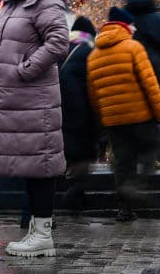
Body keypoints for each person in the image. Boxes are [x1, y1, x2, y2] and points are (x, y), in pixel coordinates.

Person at [0, 0, 68, 258]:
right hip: (19, 99)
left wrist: (25, 70)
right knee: (34, 167)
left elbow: (58, 42)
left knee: (41, 167)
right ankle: (37, 229)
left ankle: (43, 234)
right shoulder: (15, 1)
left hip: (35, 100)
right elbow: (0, 49)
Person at [87, 7, 160, 222]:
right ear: (125, 26)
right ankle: (136, 186)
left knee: (122, 162)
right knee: (151, 147)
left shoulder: (93, 55)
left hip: (113, 120)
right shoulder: (133, 48)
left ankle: (125, 209)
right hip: (139, 115)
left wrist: (101, 122)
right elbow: (150, 84)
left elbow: (93, 94)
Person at [60, 16, 99, 212]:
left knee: (70, 153)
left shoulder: (60, 49)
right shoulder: (90, 52)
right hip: (81, 110)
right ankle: (76, 191)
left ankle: (77, 195)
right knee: (82, 155)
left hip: (58, 110)